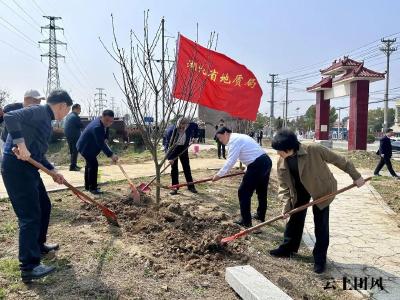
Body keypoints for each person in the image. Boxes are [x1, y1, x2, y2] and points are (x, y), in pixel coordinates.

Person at [269, 129, 365, 274]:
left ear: (289, 148)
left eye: (280, 150)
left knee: (321, 224)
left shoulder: (313, 149)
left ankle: (320, 259)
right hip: (299, 190)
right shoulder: (282, 161)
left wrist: (356, 176)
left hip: (321, 189)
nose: (278, 154)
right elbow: (283, 186)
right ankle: (287, 248)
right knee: (294, 219)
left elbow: (340, 160)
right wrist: (285, 206)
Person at [1, 89, 73, 283]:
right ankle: (29, 267)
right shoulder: (39, 111)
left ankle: (39, 246)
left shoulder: (45, 121)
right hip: (16, 168)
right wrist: (21, 145)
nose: (65, 115)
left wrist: (53, 171)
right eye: (67, 111)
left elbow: (39, 155)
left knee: (45, 205)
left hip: (29, 167)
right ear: (61, 106)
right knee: (29, 216)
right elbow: (9, 117)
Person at [212, 127, 272, 227]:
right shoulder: (239, 136)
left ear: (226, 133)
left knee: (243, 192)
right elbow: (251, 152)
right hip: (265, 161)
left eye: (220, 138)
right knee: (261, 190)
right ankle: (260, 215)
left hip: (257, 165)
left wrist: (219, 175)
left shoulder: (234, 141)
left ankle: (246, 221)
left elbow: (231, 161)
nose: (220, 141)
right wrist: (247, 168)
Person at [77, 110, 119, 194]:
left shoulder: (103, 122)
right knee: (93, 164)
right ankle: (93, 188)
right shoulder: (97, 127)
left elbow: (106, 128)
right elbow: (101, 143)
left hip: (87, 145)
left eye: (111, 121)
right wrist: (111, 155)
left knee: (89, 165)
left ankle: (88, 186)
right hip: (85, 147)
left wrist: (106, 137)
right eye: (107, 120)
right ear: (102, 116)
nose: (108, 123)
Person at [165, 117, 198, 195]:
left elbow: (196, 126)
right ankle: (175, 187)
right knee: (174, 168)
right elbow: (167, 145)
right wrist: (170, 158)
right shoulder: (171, 131)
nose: (182, 129)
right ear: (178, 125)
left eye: (184, 127)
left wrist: (195, 137)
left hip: (184, 147)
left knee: (186, 167)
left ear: (187, 125)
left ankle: (191, 186)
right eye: (181, 127)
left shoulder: (191, 125)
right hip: (174, 148)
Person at [64, 103, 83, 171]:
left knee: (72, 151)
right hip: (74, 136)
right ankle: (73, 167)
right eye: (79, 109)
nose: (80, 111)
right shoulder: (75, 116)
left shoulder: (68, 116)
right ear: (75, 109)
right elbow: (81, 125)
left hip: (68, 136)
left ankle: (73, 165)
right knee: (75, 151)